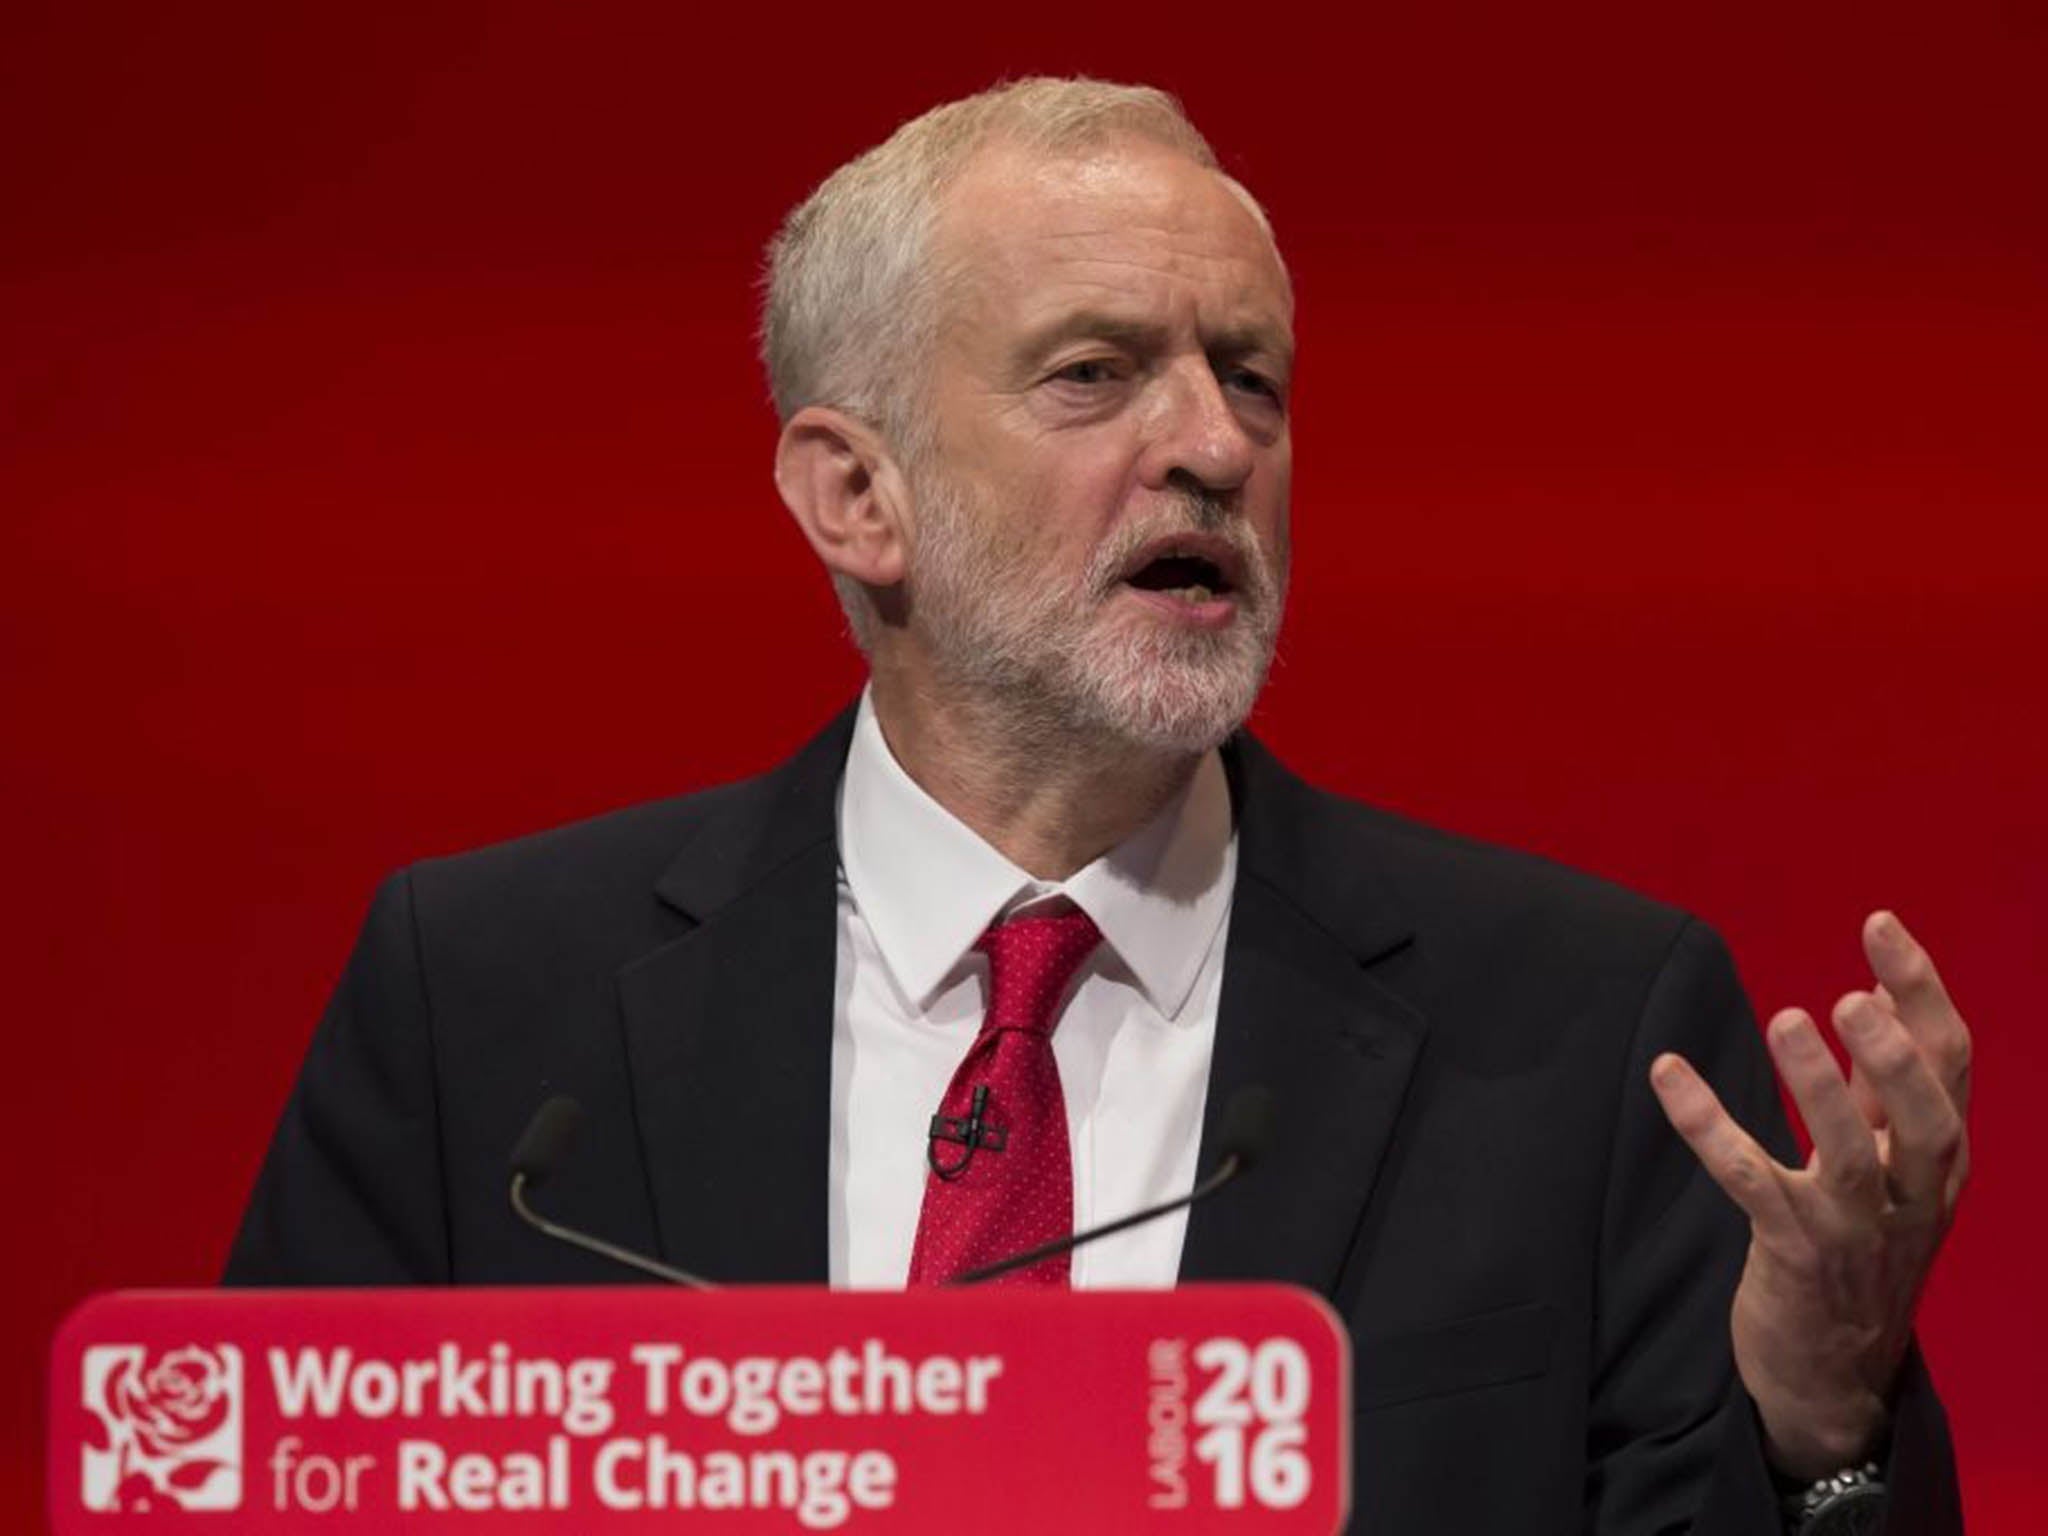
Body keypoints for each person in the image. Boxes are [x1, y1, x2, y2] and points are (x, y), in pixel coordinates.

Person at [226, 79, 1969, 1532]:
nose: (1214, 443)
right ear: (858, 494)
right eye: (1096, 372)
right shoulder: (486, 1009)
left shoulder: (1581, 1032)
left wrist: (1825, 1425)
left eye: (1254, 377)